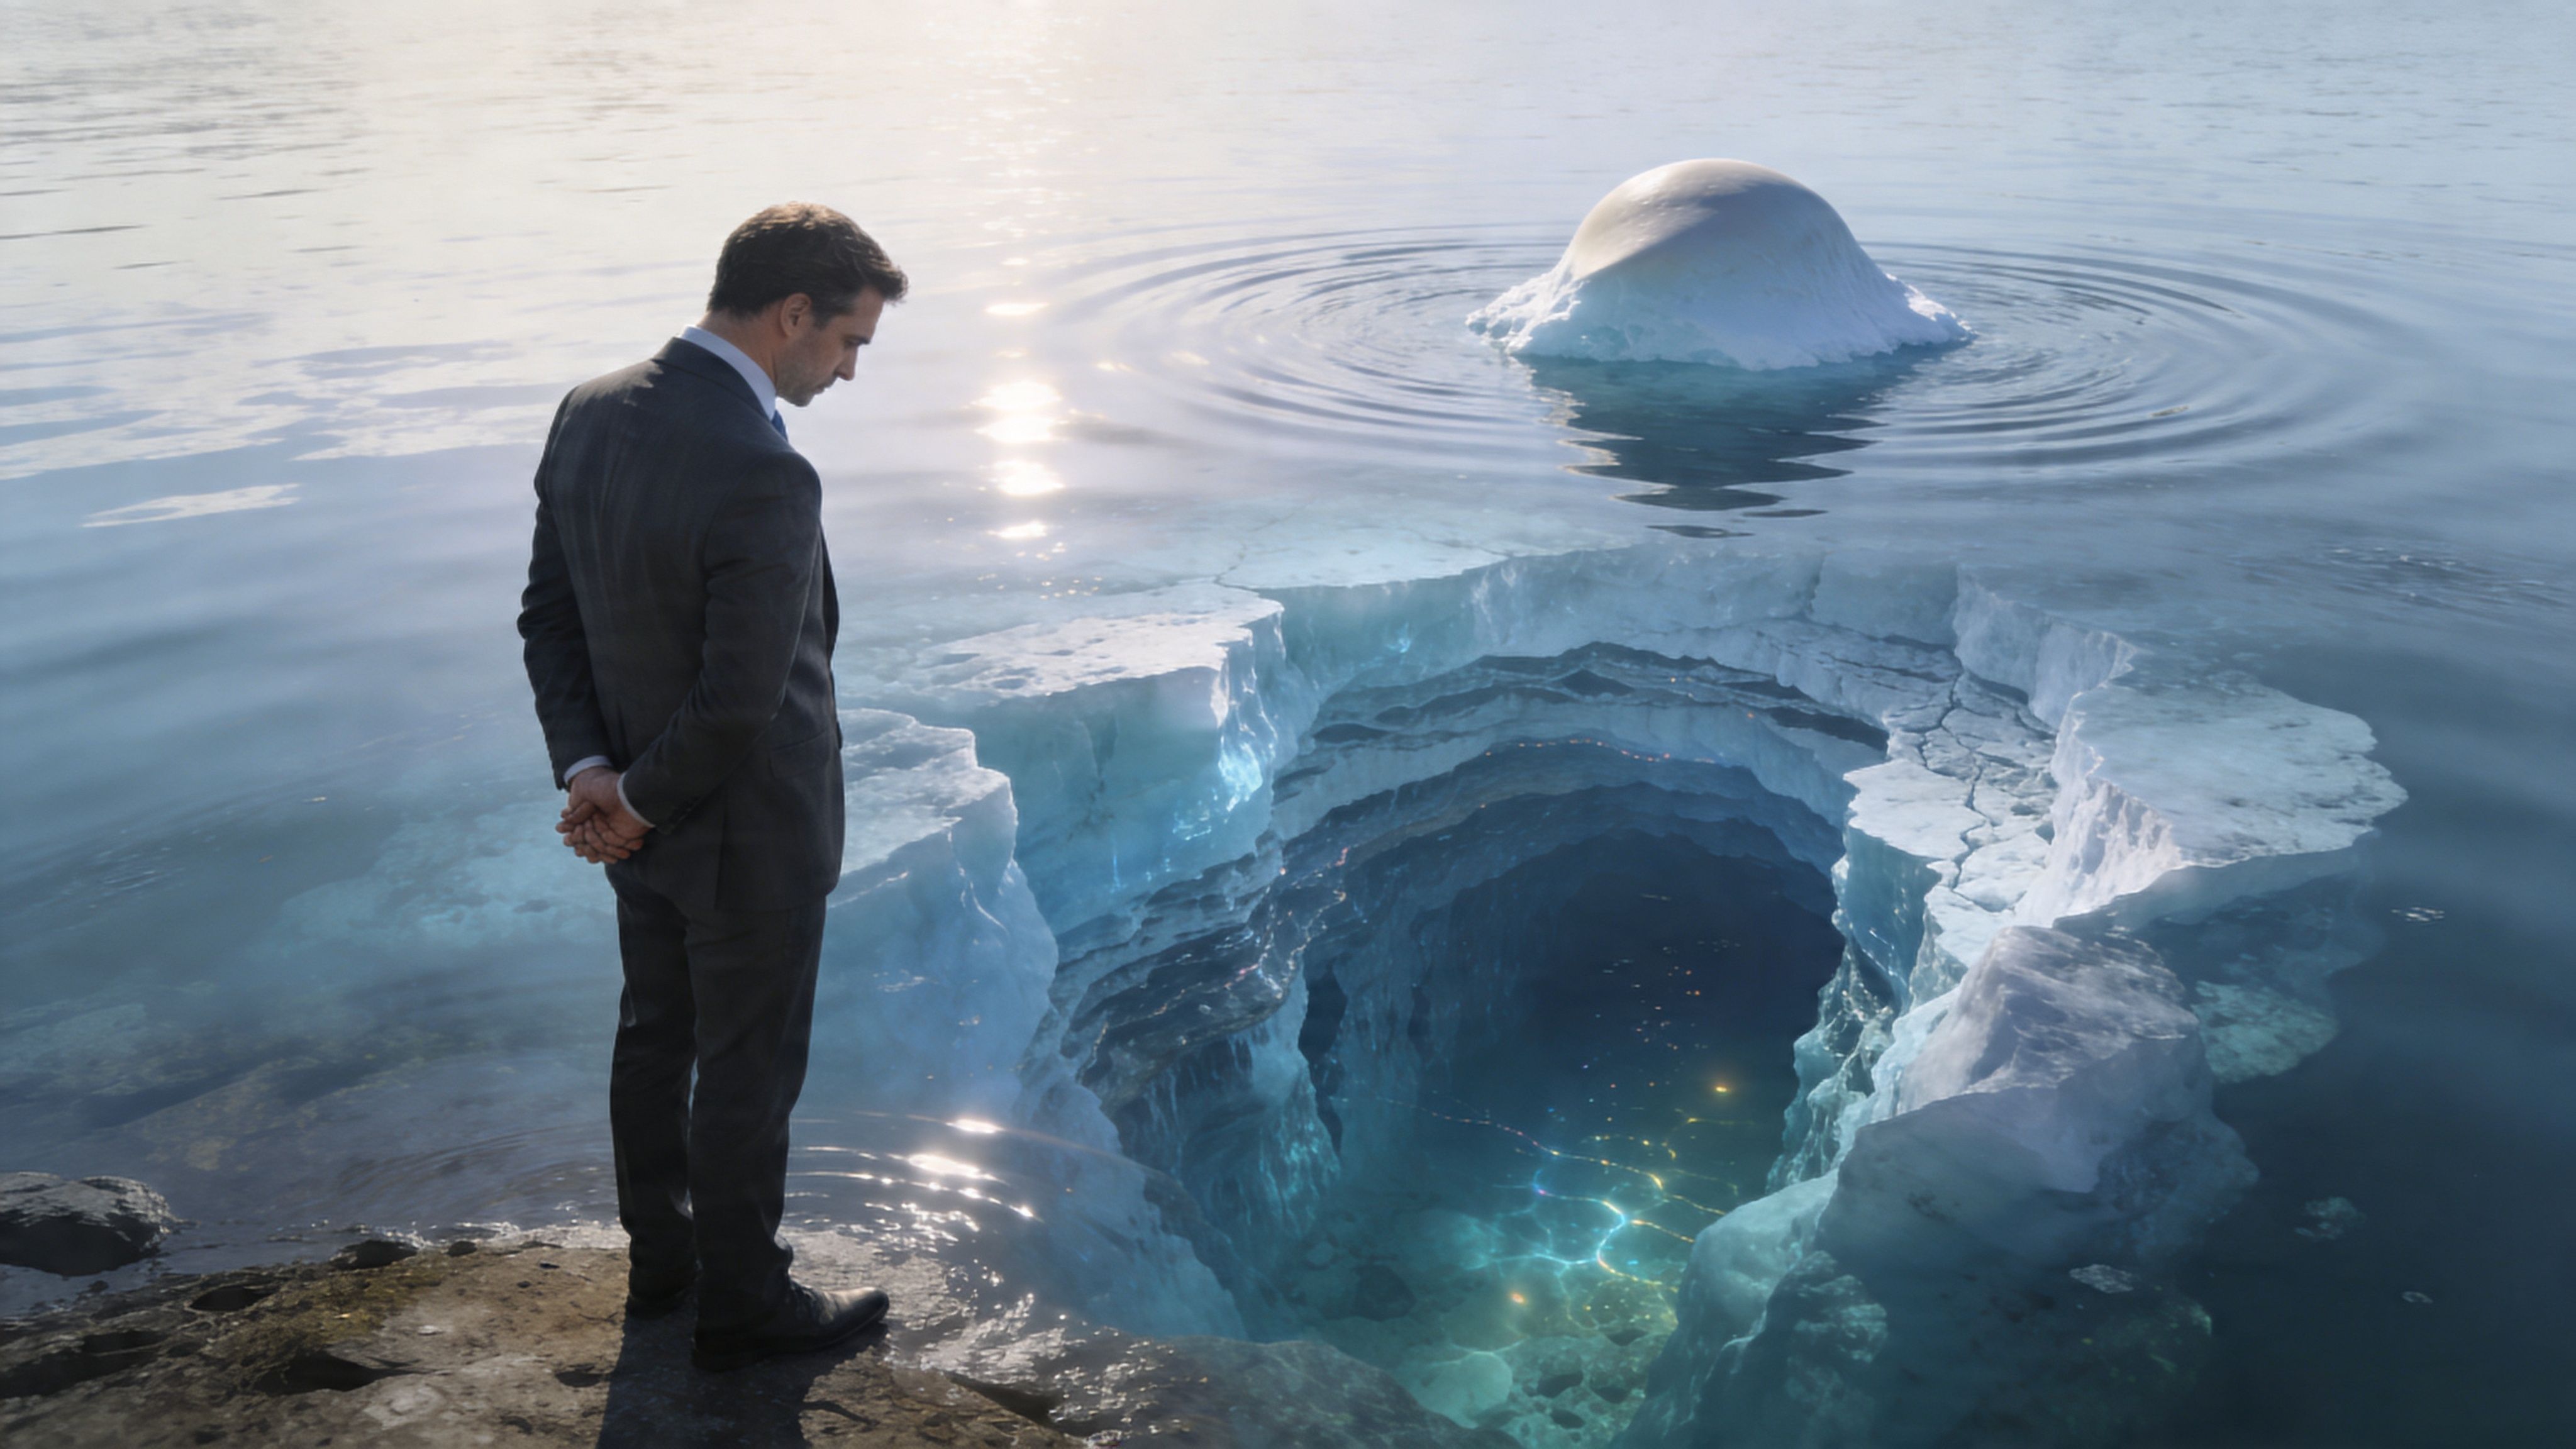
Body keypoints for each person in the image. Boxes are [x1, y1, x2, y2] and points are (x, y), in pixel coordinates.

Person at [516, 203, 904, 1373]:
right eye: (849, 343)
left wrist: (596, 778)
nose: (847, 370)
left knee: (654, 1036)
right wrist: (628, 802)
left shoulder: (588, 410)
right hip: (747, 834)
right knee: (746, 1069)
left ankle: (664, 1266)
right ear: (793, 314)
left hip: (639, 820)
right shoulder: (764, 470)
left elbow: (551, 618)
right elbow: (743, 701)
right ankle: (744, 1305)